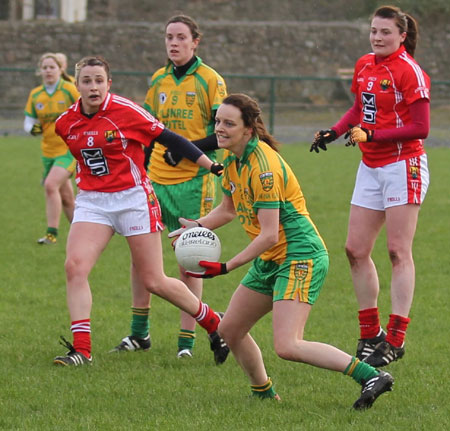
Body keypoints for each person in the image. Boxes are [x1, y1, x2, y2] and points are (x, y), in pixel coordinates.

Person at [169, 93, 394, 409]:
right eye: (218, 121)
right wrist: (196, 225)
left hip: (300, 256)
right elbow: (227, 210)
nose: (219, 128)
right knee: (230, 329)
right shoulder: (233, 162)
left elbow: (270, 234)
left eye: (228, 123)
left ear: (248, 130)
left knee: (288, 345)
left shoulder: (265, 168)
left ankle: (371, 376)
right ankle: (262, 392)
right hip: (272, 257)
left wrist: (227, 266)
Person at [52, 55, 229, 367]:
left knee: (153, 280)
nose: (93, 87)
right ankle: (82, 350)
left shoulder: (126, 111)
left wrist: (211, 164)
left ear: (109, 84)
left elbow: (171, 140)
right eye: (86, 81)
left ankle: (214, 322)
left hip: (133, 199)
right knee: (74, 267)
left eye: (99, 80)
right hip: (93, 201)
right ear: (76, 85)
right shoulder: (65, 123)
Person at [310, 5, 430, 368]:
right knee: (354, 249)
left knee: (397, 251)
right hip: (371, 165)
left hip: (402, 165)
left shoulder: (409, 71)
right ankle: (369, 333)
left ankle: (396, 338)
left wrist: (373, 134)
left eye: (385, 32)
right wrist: (335, 131)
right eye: (374, 31)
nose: (377, 37)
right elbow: (359, 111)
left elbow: (421, 128)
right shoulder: (364, 65)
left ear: (402, 36)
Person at [111, 14, 228, 360]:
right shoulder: (159, 79)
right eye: (168, 37)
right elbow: (146, 131)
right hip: (154, 182)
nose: (173, 43)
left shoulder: (210, 80)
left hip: (193, 183)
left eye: (180, 37)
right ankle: (139, 334)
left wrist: (187, 149)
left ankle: (186, 342)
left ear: (195, 42)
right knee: (140, 256)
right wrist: (141, 169)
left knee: (188, 260)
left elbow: (221, 133)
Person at [24, 52, 79, 244]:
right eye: (45, 68)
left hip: (69, 149)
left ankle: (51, 234)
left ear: (60, 70)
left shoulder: (69, 89)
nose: (48, 71)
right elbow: (28, 122)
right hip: (48, 151)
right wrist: (33, 128)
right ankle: (81, 233)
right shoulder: (36, 94)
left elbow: (85, 108)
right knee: (66, 198)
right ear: (40, 71)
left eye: (52, 67)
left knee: (50, 185)